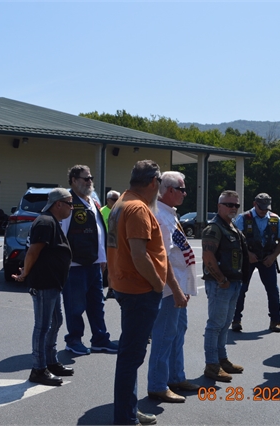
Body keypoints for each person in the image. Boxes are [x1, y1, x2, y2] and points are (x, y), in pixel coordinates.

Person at [107, 160, 187, 425]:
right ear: (154, 182)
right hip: (139, 291)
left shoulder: (120, 204)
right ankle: (125, 418)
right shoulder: (138, 209)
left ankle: (128, 410)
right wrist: (157, 284)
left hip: (125, 286)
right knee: (131, 357)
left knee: (130, 356)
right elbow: (140, 256)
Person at [13, 188, 74, 386]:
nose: (72, 208)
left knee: (55, 321)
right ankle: (38, 369)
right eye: (70, 203)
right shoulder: (45, 222)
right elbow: (33, 251)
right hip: (44, 283)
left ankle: (50, 361)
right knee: (43, 326)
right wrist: (25, 273)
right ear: (58, 204)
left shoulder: (51, 221)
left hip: (54, 283)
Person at [147, 171, 199, 404]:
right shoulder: (160, 215)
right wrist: (177, 290)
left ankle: (176, 377)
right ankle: (158, 385)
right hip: (169, 289)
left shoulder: (169, 214)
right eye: (182, 189)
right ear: (169, 190)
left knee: (177, 333)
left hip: (178, 286)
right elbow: (163, 258)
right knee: (165, 335)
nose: (185, 193)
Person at [61, 165, 117, 355]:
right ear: (74, 180)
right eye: (86, 178)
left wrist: (103, 260)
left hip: (94, 264)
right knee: (75, 306)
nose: (90, 181)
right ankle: (74, 340)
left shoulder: (92, 202)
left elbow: (99, 233)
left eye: (91, 178)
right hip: (75, 265)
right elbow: (62, 234)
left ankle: (100, 339)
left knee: (97, 305)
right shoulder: (68, 203)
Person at [201, 190, 248, 382]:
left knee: (225, 325)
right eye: (229, 204)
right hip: (221, 284)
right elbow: (208, 256)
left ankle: (221, 359)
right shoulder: (214, 228)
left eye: (236, 205)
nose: (233, 208)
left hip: (233, 282)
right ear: (219, 206)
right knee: (215, 325)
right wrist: (221, 280)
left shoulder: (231, 226)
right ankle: (212, 365)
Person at [232, 193, 280, 332]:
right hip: (248, 259)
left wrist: (273, 256)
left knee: (273, 290)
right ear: (254, 204)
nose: (264, 211)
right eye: (261, 207)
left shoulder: (275, 219)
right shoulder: (243, 218)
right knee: (241, 289)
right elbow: (235, 239)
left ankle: (276, 320)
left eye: (266, 208)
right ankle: (236, 319)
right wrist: (248, 254)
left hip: (268, 259)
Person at [101, 190, 121, 300]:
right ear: (108, 200)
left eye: (118, 199)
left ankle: (112, 289)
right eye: (114, 199)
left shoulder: (120, 210)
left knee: (115, 267)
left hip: (118, 242)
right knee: (105, 266)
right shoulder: (102, 211)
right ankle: (101, 289)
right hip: (105, 242)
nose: (117, 201)